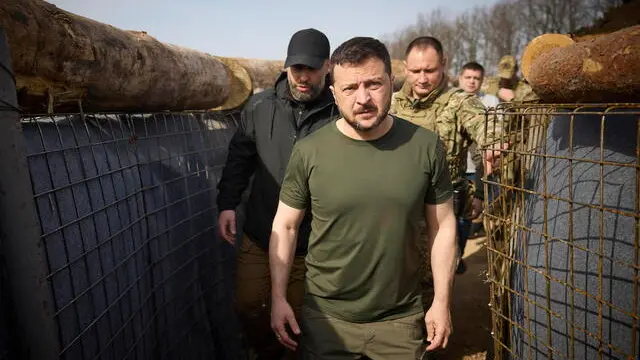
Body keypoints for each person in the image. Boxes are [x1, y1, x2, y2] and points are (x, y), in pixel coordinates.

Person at [269, 37, 457, 359]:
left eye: (374, 84)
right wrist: (278, 297)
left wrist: (441, 301)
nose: (363, 98)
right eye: (350, 88)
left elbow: (443, 227)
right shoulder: (309, 151)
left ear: (392, 83)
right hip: (325, 318)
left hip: (400, 319)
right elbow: (285, 226)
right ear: (334, 93)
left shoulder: (425, 146)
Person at [216, 28, 338, 359]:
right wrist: (227, 204)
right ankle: (264, 351)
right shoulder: (259, 107)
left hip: (309, 242)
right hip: (260, 231)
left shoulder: (339, 115)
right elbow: (239, 158)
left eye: (312, 69)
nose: (303, 77)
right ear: (286, 66)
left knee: (298, 315)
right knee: (249, 304)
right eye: (297, 68)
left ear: (327, 67)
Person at [389, 36, 504, 292]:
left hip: (439, 215)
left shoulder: (459, 101)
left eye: (429, 70)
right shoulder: (392, 103)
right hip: (398, 213)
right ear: (405, 68)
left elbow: (486, 124)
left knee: (433, 287)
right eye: (415, 71)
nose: (422, 78)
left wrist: (494, 144)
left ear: (443, 64)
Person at [457, 61, 500, 241]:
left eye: (476, 78)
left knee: (471, 212)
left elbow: (496, 133)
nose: (472, 82)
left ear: (482, 81)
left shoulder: (490, 101)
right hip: (457, 168)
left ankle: (459, 251)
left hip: (479, 169)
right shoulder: (451, 100)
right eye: (468, 77)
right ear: (460, 79)